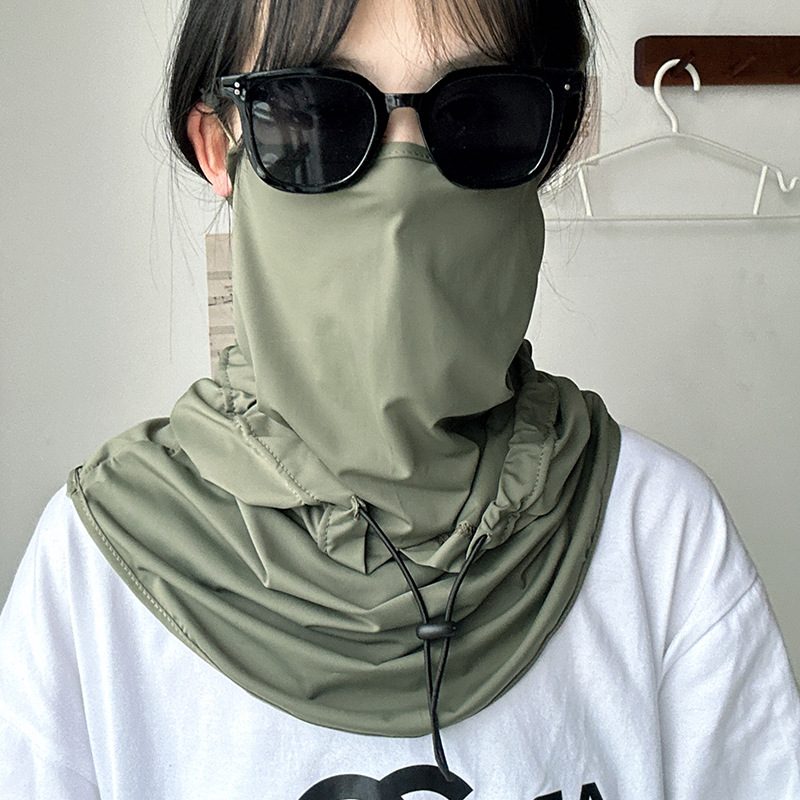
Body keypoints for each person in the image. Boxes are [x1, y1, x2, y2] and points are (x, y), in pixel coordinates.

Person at [1, 0, 798, 797]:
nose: (403, 199)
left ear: (555, 136)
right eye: (318, 112)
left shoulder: (660, 535)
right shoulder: (94, 570)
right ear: (220, 146)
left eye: (479, 112)